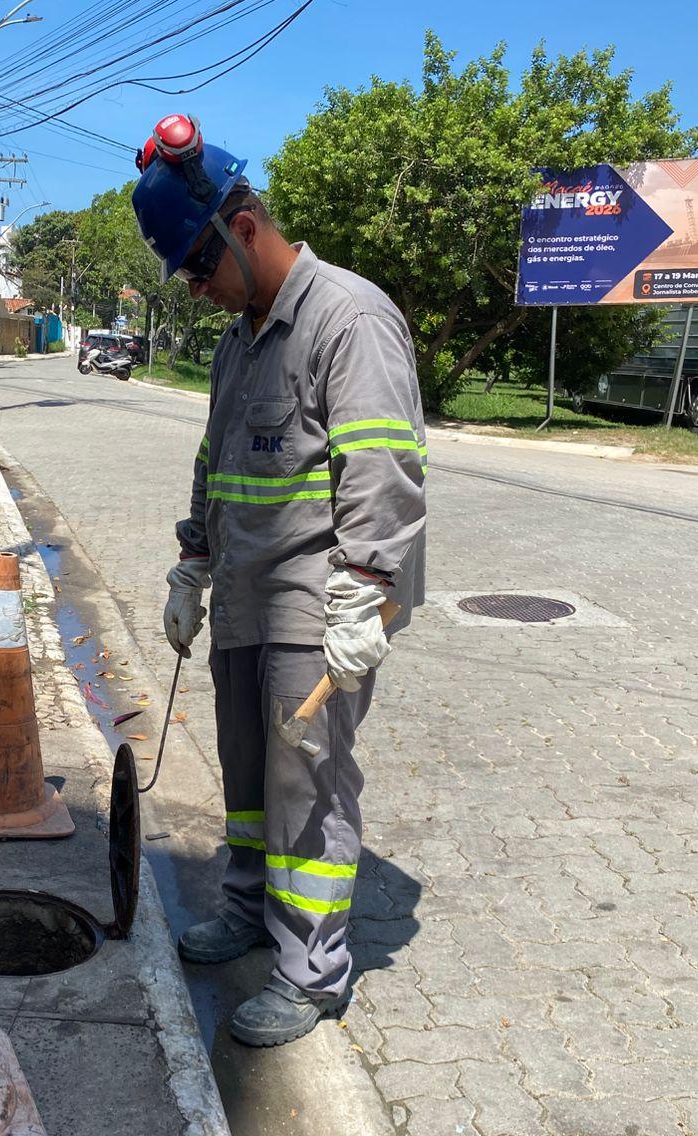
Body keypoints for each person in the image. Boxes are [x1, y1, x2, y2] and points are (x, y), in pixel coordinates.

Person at [132, 114, 427, 1047]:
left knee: (308, 786)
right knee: (252, 776)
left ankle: (312, 972)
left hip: (320, 600)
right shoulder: (238, 341)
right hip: (245, 595)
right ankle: (249, 908)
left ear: (244, 227)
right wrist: (192, 562)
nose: (196, 286)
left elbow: (383, 467)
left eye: (198, 264)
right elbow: (213, 460)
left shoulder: (349, 319)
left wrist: (366, 588)